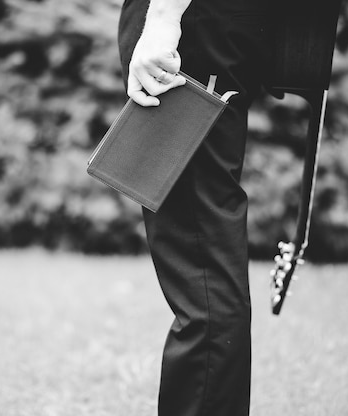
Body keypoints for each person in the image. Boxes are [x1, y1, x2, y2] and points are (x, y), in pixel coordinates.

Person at [117, 0, 273, 415]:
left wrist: (165, 19)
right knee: (202, 255)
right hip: (212, 26)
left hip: (194, 25)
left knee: (200, 262)